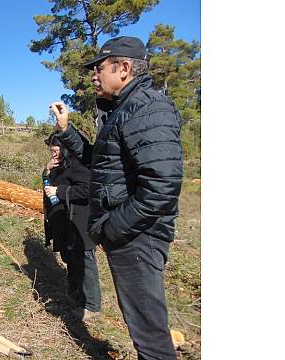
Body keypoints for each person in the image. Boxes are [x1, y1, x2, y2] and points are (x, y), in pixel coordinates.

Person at [51, 36, 183, 359]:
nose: (94, 76)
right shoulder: (126, 109)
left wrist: (112, 227)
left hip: (139, 237)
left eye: (99, 69)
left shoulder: (148, 107)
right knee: (143, 332)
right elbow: (101, 160)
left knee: (151, 341)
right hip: (131, 234)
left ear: (123, 69)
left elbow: (162, 186)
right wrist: (67, 131)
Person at [42, 133, 101, 322]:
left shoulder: (78, 164)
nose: (53, 154)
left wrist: (59, 191)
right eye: (51, 151)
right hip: (64, 221)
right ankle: (75, 296)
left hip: (80, 221)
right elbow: (47, 184)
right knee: (71, 259)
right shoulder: (58, 164)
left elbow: (87, 190)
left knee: (85, 261)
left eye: (56, 150)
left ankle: (91, 305)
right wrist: (46, 170)